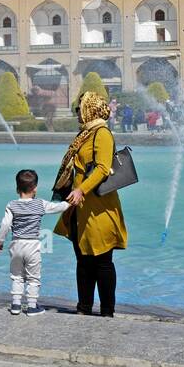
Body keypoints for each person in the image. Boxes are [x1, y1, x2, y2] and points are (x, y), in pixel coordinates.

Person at [53, 91, 127, 317]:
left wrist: (81, 189)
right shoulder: (85, 134)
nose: (77, 113)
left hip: (98, 207)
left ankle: (107, 311)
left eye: (80, 109)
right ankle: (84, 307)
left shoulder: (102, 133)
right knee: (83, 260)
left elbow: (104, 168)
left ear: (90, 109)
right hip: (80, 207)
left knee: (102, 262)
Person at [0, 168, 71, 315]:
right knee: (33, 277)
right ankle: (32, 306)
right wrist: (70, 203)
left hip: (16, 244)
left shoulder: (11, 205)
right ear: (35, 188)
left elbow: (5, 225)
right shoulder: (40, 204)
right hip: (32, 245)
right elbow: (57, 207)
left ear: (17, 188)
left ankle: (16, 305)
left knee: (17, 276)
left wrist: (0, 240)